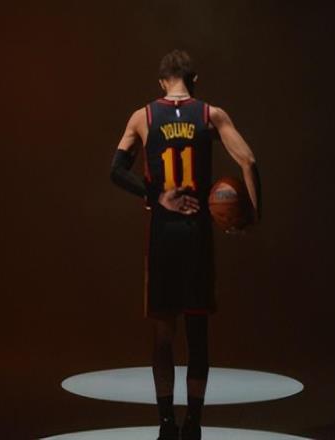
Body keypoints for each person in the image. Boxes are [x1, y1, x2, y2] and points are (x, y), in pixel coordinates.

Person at [110, 49, 261, 440]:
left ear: (162, 82)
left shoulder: (143, 117)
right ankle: (193, 424)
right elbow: (248, 160)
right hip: (197, 239)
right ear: (194, 80)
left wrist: (156, 195)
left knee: (163, 336)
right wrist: (249, 217)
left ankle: (166, 424)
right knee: (197, 336)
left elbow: (116, 171)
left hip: (163, 237)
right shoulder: (211, 114)